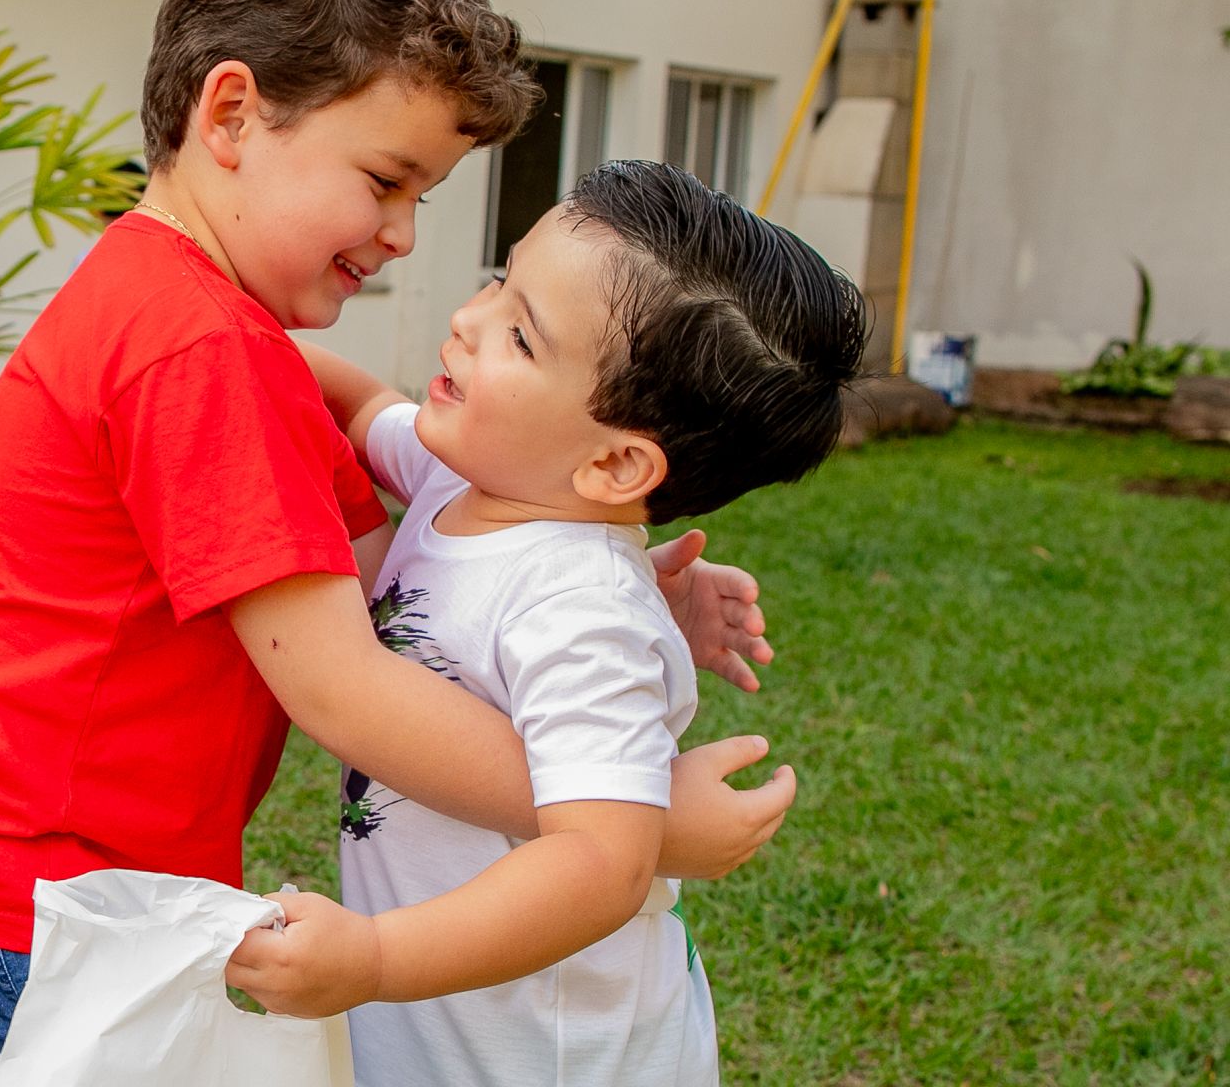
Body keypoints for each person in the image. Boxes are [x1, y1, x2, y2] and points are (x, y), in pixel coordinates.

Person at [0, 0, 793, 1087]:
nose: (401, 235)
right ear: (229, 115)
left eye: (423, 196)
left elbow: (374, 584)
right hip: (3, 900)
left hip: (10, 872)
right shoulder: (195, 352)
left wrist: (599, 586)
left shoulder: (208, 323)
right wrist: (628, 807)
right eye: (385, 180)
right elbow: (342, 684)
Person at [230, 161, 868, 1085]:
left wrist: (373, 958)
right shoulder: (474, 473)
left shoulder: (582, 614)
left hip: (546, 1052)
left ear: (614, 467)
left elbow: (602, 862)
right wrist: (224, 341)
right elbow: (365, 406)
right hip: (445, 1034)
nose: (469, 318)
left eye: (521, 337)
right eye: (499, 281)